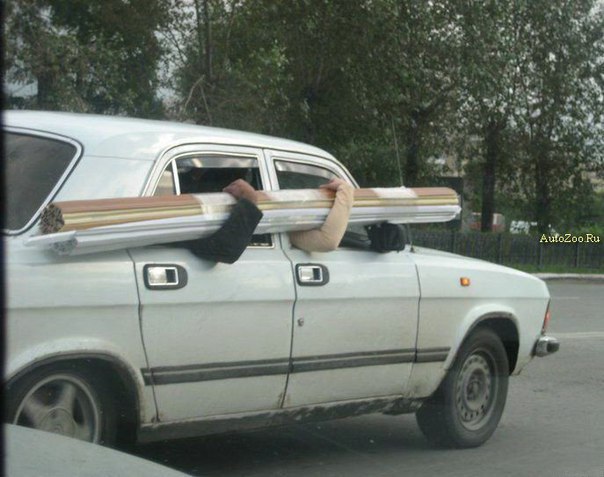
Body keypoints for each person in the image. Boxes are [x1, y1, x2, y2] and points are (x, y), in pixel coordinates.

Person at [179, 177, 353, 263]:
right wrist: (346, 192)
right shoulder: (187, 224)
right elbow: (223, 250)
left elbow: (327, 241)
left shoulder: (283, 227)